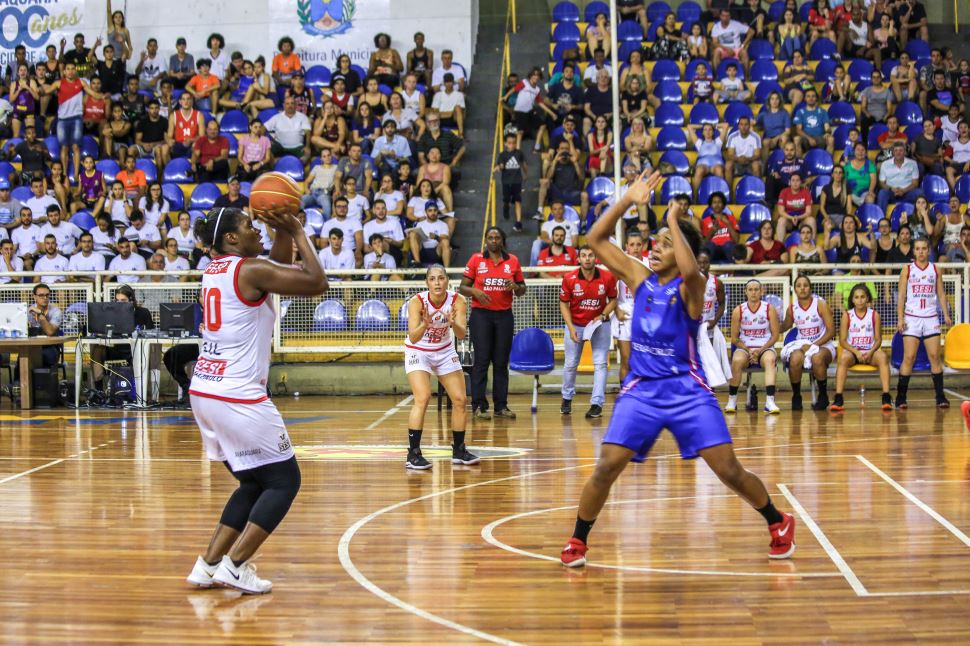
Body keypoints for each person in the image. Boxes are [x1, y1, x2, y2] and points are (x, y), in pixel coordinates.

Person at [559, 170, 795, 569]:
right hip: (642, 390)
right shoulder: (640, 279)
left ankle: (778, 521)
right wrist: (626, 199)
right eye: (656, 243)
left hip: (687, 390)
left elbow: (689, 271)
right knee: (606, 466)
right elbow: (596, 240)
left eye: (666, 245)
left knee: (729, 470)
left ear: (682, 248)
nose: (654, 248)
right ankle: (578, 539)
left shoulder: (692, 287)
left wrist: (672, 220)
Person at [185, 205, 328, 595]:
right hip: (237, 395)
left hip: (206, 390)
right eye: (251, 226)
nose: (257, 231)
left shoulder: (219, 270)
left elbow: (275, 268)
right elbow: (317, 282)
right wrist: (298, 231)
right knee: (284, 481)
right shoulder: (249, 270)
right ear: (232, 239)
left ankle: (208, 564)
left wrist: (279, 229)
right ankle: (235, 565)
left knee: (253, 482)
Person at [403, 265, 477, 469]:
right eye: (433, 279)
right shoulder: (417, 302)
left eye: (441, 278)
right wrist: (425, 324)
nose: (437, 282)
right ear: (427, 283)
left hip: (444, 351)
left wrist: (453, 323)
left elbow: (461, 335)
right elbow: (413, 337)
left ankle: (459, 450)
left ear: (447, 281)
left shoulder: (458, 301)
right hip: (419, 351)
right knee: (423, 397)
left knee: (460, 399)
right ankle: (413, 453)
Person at [460, 227, 526, 420]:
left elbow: (523, 289)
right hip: (481, 316)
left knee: (500, 362)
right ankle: (479, 406)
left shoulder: (512, 261)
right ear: (486, 241)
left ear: (502, 240)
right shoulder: (476, 259)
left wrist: (516, 287)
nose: (494, 240)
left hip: (504, 316)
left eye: (497, 237)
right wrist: (475, 292)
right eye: (490, 237)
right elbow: (464, 286)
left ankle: (501, 406)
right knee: (481, 361)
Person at [559, 246, 616, 419]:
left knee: (600, 364)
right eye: (583, 256)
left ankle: (596, 403)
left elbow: (613, 299)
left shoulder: (607, 277)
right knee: (570, 364)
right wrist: (570, 327)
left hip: (599, 324)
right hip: (576, 324)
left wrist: (603, 315)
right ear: (578, 259)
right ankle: (567, 397)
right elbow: (564, 303)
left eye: (591, 255)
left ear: (596, 258)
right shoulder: (569, 278)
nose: (587, 259)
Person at [894, 238, 952, 409]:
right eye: (918, 249)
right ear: (914, 251)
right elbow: (902, 296)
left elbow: (941, 294)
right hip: (912, 317)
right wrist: (900, 318)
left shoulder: (935, 269)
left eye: (924, 248)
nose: (921, 252)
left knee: (935, 357)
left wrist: (946, 315)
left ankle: (940, 397)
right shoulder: (907, 269)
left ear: (928, 251)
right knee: (909, 357)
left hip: (930, 317)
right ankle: (901, 397)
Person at [830, 284, 892, 412]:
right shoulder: (847, 315)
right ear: (852, 300)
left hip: (870, 351)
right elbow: (842, 340)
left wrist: (870, 352)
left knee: (883, 357)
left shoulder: (874, 315)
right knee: (843, 358)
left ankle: (886, 396)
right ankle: (838, 398)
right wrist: (856, 352)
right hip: (853, 352)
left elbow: (878, 339)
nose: (860, 300)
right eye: (856, 297)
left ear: (868, 298)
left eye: (863, 297)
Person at [780, 275, 836, 411]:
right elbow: (784, 327)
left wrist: (814, 345)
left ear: (810, 288)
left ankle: (823, 396)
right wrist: (769, 324)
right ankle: (796, 396)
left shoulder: (820, 305)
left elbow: (831, 332)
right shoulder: (792, 309)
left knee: (817, 358)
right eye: (799, 286)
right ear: (795, 289)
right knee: (795, 359)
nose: (802, 288)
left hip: (823, 344)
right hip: (803, 345)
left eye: (805, 285)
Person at [727, 279, 781, 413]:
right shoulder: (738, 310)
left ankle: (770, 401)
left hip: (764, 346)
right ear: (746, 292)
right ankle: (732, 401)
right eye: (750, 290)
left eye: (756, 289)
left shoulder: (769, 309)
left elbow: (775, 336)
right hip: (746, 347)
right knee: (737, 360)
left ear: (761, 291)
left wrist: (760, 351)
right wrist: (749, 350)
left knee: (770, 360)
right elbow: (734, 338)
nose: (753, 292)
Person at [611, 232, 643, 383]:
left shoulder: (651, 265)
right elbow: (610, 292)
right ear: (626, 247)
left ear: (644, 246)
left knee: (645, 361)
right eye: (632, 245)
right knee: (626, 360)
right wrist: (617, 309)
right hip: (627, 316)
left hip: (646, 317)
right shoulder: (620, 267)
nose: (635, 248)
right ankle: (624, 396)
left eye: (638, 244)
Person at [494, 133, 527, 231]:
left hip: (517, 181)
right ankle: (506, 206)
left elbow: (523, 163)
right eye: (509, 143)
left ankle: (518, 221)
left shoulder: (519, 153)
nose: (511, 145)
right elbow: (501, 165)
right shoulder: (503, 155)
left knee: (518, 200)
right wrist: (499, 167)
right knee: (507, 199)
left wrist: (525, 173)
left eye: (513, 143)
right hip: (506, 182)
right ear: (505, 143)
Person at [27, 282, 63, 368]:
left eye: (47, 295)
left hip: (51, 347)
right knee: (22, 357)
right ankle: (20, 381)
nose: (45, 298)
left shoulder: (56, 311)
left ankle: (44, 381)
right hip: (32, 346)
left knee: (45, 356)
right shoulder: (28, 311)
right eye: (41, 295)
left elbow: (50, 332)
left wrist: (40, 314)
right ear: (34, 297)